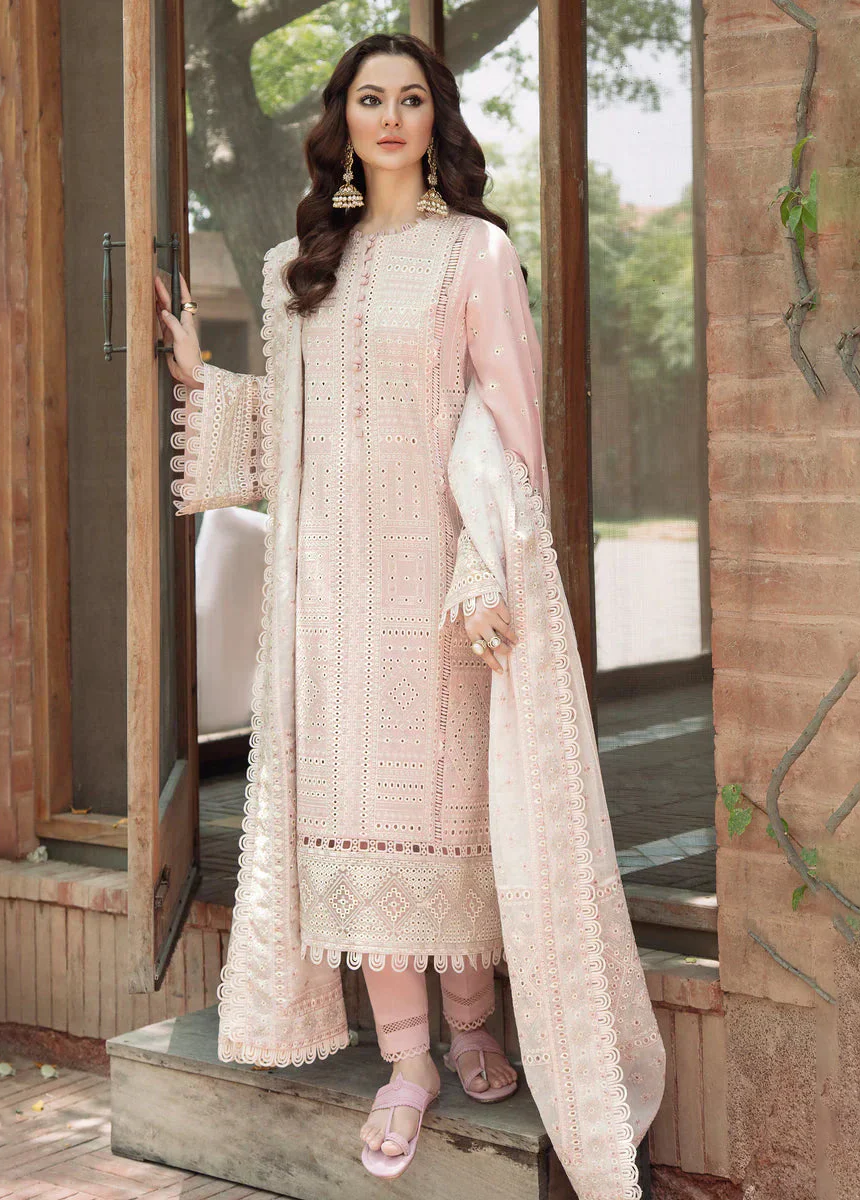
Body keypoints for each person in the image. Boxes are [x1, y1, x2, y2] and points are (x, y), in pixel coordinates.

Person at [156, 32, 663, 1195]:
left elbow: (505, 416)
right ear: (342, 121)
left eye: (412, 99)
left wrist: (485, 563)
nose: (390, 116)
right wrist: (202, 381)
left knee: (452, 813)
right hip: (331, 599)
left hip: (441, 589)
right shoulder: (298, 269)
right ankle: (406, 1063)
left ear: (438, 122)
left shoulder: (473, 252)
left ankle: (473, 1024)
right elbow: (298, 429)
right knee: (360, 824)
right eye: (370, 98)